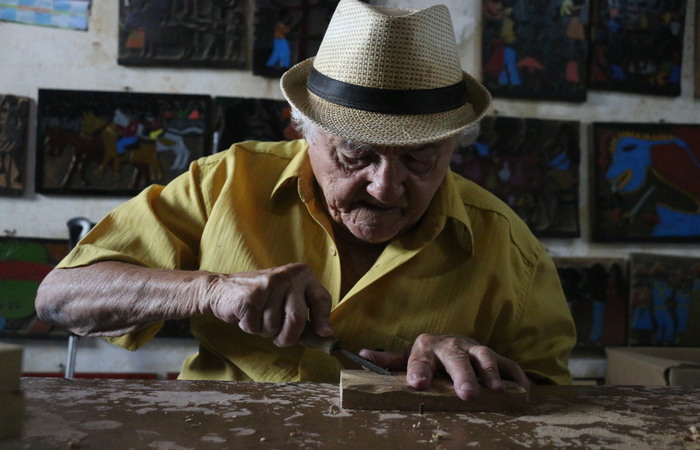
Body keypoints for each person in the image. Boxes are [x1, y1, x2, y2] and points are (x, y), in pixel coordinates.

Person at [36, 0, 575, 401]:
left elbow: (553, 403)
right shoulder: (224, 182)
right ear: (302, 132)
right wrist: (210, 291)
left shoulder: (507, 247)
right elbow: (59, 298)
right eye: (357, 155)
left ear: (453, 146)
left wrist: (474, 374)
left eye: (419, 159)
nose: (386, 187)